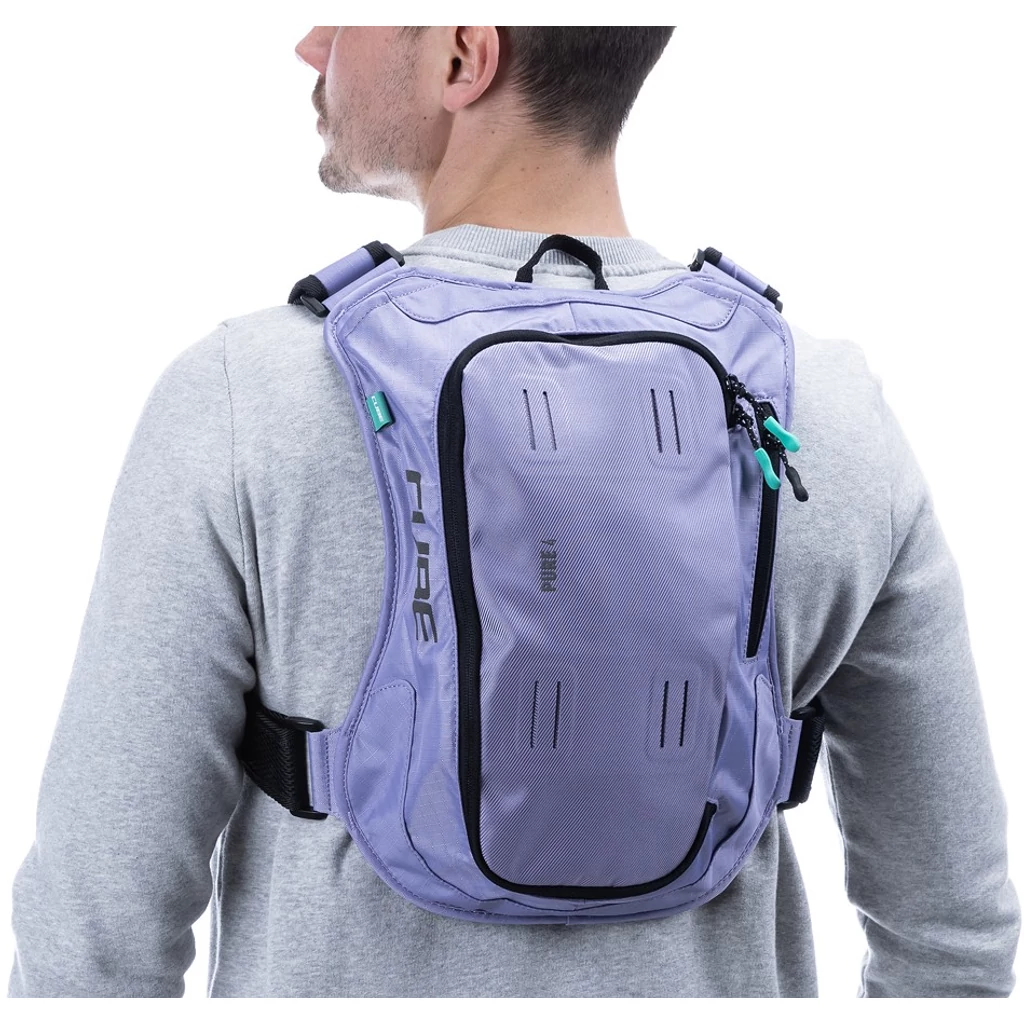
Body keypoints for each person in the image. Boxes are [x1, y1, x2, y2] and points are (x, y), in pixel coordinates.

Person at [7, 25, 1019, 998]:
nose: (314, 42)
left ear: (465, 53)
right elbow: (953, 938)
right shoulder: (824, 407)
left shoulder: (242, 396)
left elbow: (94, 939)